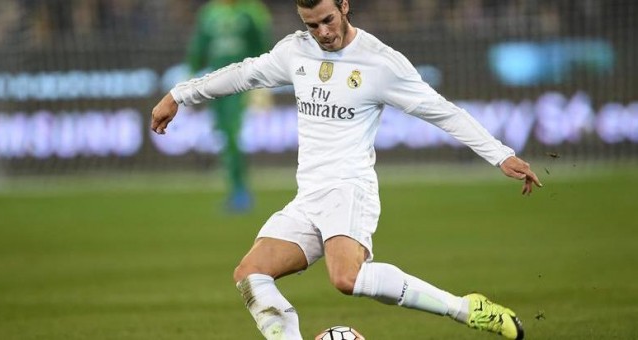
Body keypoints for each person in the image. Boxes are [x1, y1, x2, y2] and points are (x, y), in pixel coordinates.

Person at [151, 0, 542, 338]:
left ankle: (467, 309)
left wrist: (500, 154)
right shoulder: (295, 53)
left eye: (327, 20)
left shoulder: (380, 62)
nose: (322, 32)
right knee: (250, 273)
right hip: (309, 196)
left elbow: (442, 111)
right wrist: (178, 95)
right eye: (311, 25)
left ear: (345, 6)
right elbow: (242, 73)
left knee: (346, 279)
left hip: (349, 189)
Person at [185, 0, 271, 212]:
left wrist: (262, 87)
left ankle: (240, 191)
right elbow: (199, 47)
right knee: (224, 134)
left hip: (242, 85)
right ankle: (236, 189)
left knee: (232, 134)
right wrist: (190, 75)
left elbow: (262, 46)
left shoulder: (252, 11)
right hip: (215, 85)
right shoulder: (209, 13)